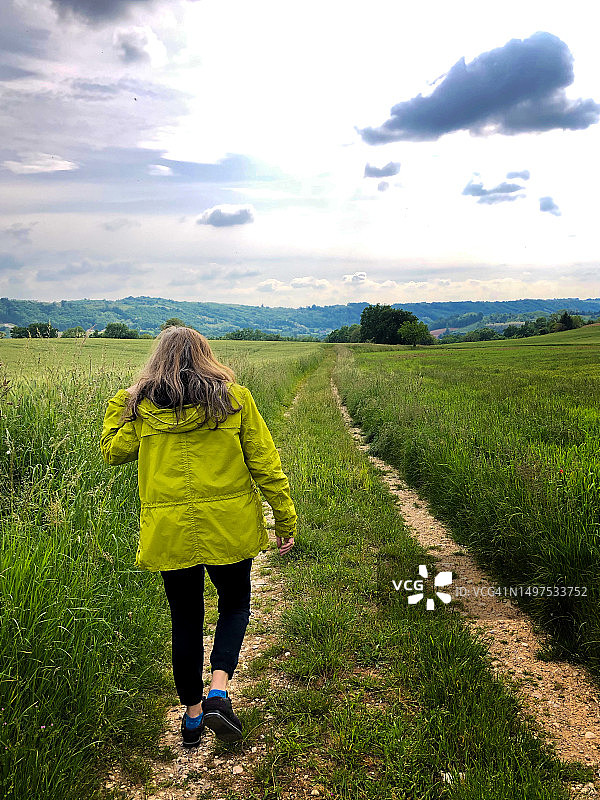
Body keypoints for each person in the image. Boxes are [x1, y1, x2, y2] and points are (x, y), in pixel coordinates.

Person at [99, 326, 296, 748]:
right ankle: (219, 690)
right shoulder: (234, 400)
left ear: (156, 361)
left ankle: (190, 719)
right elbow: (265, 462)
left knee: (185, 620)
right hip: (230, 525)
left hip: (170, 533)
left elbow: (112, 452)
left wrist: (126, 399)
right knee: (235, 604)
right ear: (206, 355)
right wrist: (284, 517)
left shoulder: (140, 408)